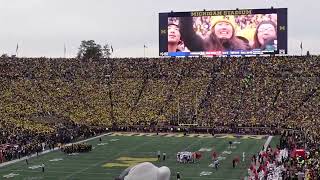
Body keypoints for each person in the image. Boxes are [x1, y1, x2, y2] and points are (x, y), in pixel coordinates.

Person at [179, 16, 250, 52]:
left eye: (227, 24)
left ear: (233, 30)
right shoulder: (203, 45)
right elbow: (187, 34)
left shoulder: (244, 47)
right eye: (220, 24)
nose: (224, 27)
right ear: (213, 29)